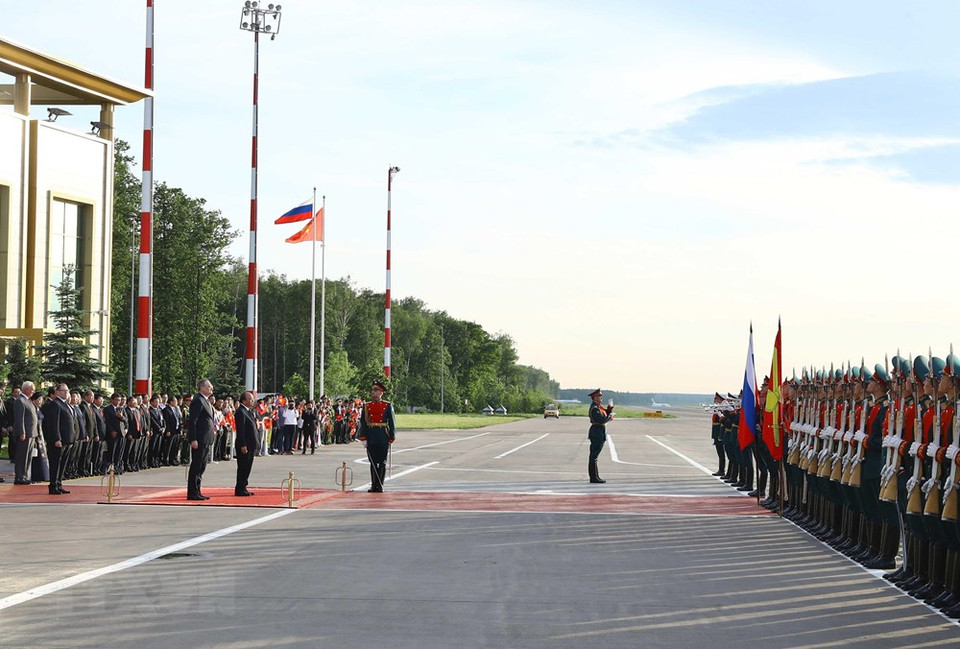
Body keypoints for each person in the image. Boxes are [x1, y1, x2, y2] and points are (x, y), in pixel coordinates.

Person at [358, 380, 396, 492]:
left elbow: (392, 422)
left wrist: (392, 436)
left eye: (376, 390)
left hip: (383, 435)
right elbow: (364, 422)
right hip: (371, 435)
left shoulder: (387, 405)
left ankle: (380, 485)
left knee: (382, 462)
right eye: (373, 390)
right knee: (373, 462)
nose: (373, 392)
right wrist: (363, 437)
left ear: (381, 392)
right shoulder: (367, 406)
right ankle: (374, 484)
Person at [41, 383, 76, 495]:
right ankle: (53, 486)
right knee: (56, 464)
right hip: (59, 441)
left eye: (67, 391)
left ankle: (59, 484)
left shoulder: (65, 404)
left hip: (67, 440)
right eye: (63, 390)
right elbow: (53, 423)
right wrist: (56, 438)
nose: (66, 393)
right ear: (57, 392)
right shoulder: (55, 404)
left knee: (62, 464)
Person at [187, 379, 216, 500]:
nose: (211, 389)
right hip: (199, 438)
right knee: (196, 465)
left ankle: (198, 489)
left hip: (206, 438)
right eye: (209, 387)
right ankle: (192, 492)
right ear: (202, 387)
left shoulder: (206, 400)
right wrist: (193, 439)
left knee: (202, 466)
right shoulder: (198, 400)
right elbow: (193, 421)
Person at [12, 381, 39, 485]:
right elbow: (19, 419)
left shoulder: (27, 400)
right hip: (25, 433)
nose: (33, 391)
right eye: (32, 389)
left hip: (31, 433)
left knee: (28, 456)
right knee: (22, 456)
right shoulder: (20, 400)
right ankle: (19, 477)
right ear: (26, 389)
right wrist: (22, 432)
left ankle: (25, 476)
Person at [234, 391, 258, 497]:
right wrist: (243, 444)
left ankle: (243, 486)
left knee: (247, 467)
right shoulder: (240, 411)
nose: (252, 401)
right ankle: (240, 488)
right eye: (250, 399)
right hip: (245, 444)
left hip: (251, 444)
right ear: (244, 400)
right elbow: (241, 429)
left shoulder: (248, 411)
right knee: (243, 467)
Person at [587, 389, 613, 483]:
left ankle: (595, 476)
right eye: (599, 396)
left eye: (601, 396)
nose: (601, 398)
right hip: (596, 432)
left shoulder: (598, 407)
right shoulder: (594, 408)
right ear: (594, 398)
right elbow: (600, 420)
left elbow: (604, 413)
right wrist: (609, 418)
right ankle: (593, 477)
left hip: (599, 432)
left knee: (594, 457)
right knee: (593, 456)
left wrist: (609, 410)